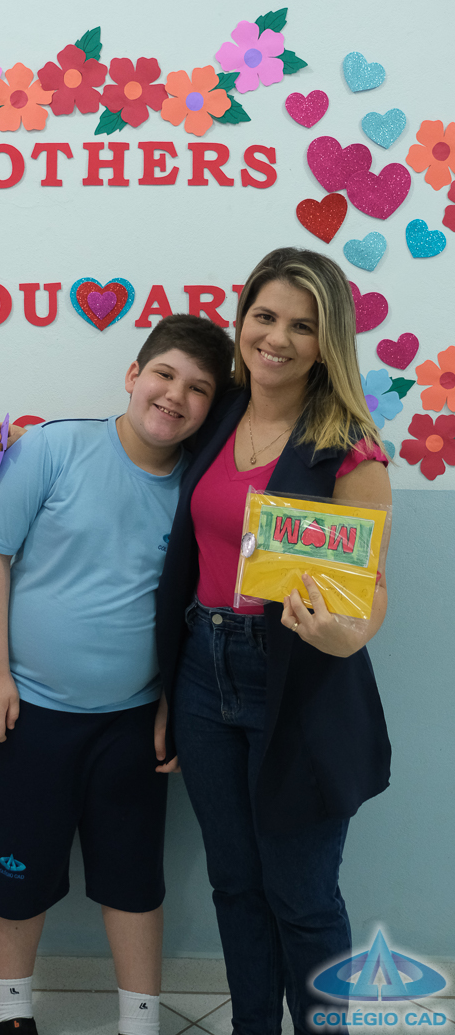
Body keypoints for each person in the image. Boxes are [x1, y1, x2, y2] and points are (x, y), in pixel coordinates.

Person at [0, 315, 233, 1035]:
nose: (175, 395)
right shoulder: (51, 449)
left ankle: (140, 1021)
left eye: (199, 389)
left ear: (212, 407)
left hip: (133, 724)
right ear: (133, 374)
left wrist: (172, 704)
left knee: (133, 878)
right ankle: (11, 1012)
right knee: (17, 872)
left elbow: (196, 608)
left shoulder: (200, 491)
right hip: (27, 713)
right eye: (164, 374)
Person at [155, 248, 392, 1035]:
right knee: (236, 884)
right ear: (243, 320)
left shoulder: (348, 447)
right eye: (265, 316)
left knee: (303, 896)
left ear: (329, 343)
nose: (278, 338)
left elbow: (372, 590)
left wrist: (345, 635)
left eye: (303, 325)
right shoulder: (219, 412)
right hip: (201, 670)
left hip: (298, 680)